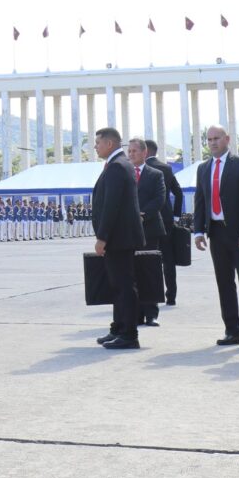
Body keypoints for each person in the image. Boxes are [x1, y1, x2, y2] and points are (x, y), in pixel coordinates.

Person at [192, 125, 239, 349]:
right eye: (209, 139)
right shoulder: (203, 168)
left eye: (217, 138)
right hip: (216, 231)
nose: (212, 142)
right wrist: (198, 230)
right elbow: (200, 201)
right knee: (224, 283)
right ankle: (233, 330)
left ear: (227, 139)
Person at [91, 128, 145, 349]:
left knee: (124, 286)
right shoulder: (120, 165)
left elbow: (111, 206)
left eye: (98, 143)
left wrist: (102, 237)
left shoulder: (116, 167)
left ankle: (129, 334)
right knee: (118, 285)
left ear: (110, 144)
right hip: (120, 237)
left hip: (119, 238)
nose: (95, 146)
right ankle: (120, 328)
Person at [127, 138, 165, 327]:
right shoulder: (122, 172)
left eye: (135, 151)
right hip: (128, 231)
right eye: (130, 151)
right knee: (131, 272)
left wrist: (142, 215)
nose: (131, 154)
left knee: (150, 271)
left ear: (144, 153)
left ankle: (151, 313)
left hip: (149, 228)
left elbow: (159, 199)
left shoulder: (155, 174)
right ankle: (135, 313)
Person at [143, 140, 183, 306]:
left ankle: (152, 296)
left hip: (147, 220)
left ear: (145, 151)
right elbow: (179, 193)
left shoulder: (141, 170)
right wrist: (175, 216)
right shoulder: (166, 168)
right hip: (166, 219)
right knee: (168, 259)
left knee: (149, 259)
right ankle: (171, 296)